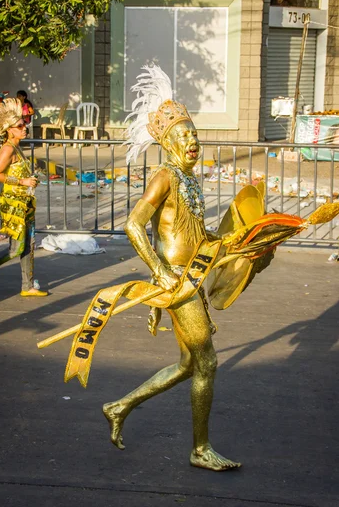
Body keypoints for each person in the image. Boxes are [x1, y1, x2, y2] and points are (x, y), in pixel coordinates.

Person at [102, 66, 240, 471]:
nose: (192, 141)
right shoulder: (165, 176)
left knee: (187, 365)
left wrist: (230, 240)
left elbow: (195, 230)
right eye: (183, 135)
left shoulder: (190, 180)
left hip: (193, 281)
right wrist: (158, 270)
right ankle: (200, 450)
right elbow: (133, 223)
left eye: (194, 133)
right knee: (207, 362)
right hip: (178, 283)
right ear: (167, 142)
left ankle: (120, 405)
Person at [0, 98, 47, 297]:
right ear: (9, 129)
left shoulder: (16, 147)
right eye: (20, 126)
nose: (25, 128)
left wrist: (30, 180)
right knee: (16, 248)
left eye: (25, 124)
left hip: (25, 203)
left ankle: (27, 286)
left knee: (29, 245)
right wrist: (22, 182)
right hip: (13, 206)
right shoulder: (7, 149)